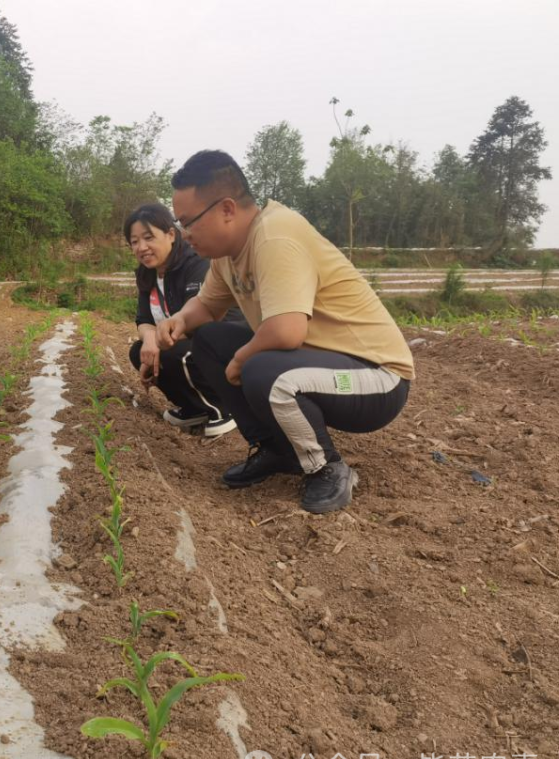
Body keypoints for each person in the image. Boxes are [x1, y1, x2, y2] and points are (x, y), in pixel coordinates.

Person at [157, 150, 414, 514]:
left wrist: (242, 359)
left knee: (262, 370)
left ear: (227, 209)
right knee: (212, 342)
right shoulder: (227, 256)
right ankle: (278, 449)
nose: (184, 235)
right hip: (320, 367)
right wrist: (180, 320)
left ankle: (326, 466)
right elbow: (207, 306)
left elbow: (287, 331)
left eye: (188, 222)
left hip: (376, 378)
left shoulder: (275, 235)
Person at [125, 203, 239, 438]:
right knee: (139, 352)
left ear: (170, 234)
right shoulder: (147, 272)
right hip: (180, 340)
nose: (142, 247)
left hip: (225, 342)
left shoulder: (196, 263)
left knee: (174, 352)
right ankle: (194, 408)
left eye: (148, 238)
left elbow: (199, 321)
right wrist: (149, 340)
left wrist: (157, 342)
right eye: (134, 241)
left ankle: (224, 408)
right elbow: (144, 319)